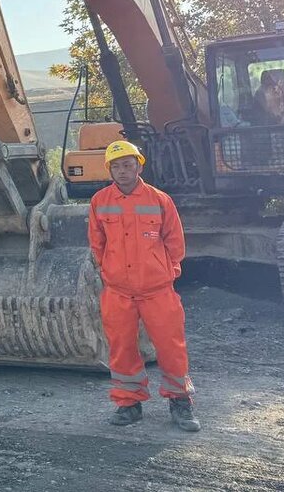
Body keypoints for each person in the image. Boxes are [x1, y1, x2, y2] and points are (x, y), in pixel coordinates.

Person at [88, 140, 200, 432]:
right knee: (122, 348)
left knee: (171, 347)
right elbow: (97, 241)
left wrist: (169, 270)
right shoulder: (100, 201)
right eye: (116, 166)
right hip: (117, 292)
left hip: (157, 290)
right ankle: (128, 404)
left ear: (138, 165)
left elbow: (174, 240)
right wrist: (106, 269)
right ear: (109, 170)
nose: (122, 171)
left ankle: (181, 402)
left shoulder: (159, 199)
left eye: (128, 164)